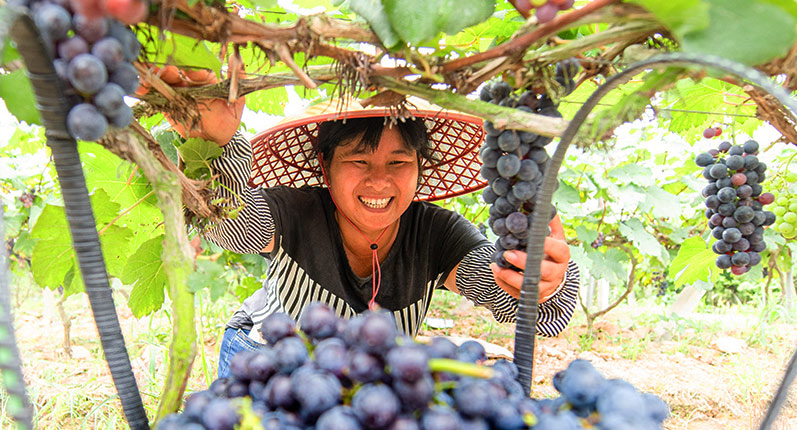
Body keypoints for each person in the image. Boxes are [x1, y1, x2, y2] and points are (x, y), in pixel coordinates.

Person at [158, 69, 579, 378]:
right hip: (265, 353)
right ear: (325, 166)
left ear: (419, 168)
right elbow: (231, 226)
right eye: (358, 160)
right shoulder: (297, 211)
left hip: (361, 377)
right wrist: (215, 144)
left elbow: (514, 297)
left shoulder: (437, 233)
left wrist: (541, 279)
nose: (379, 180)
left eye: (399, 162)